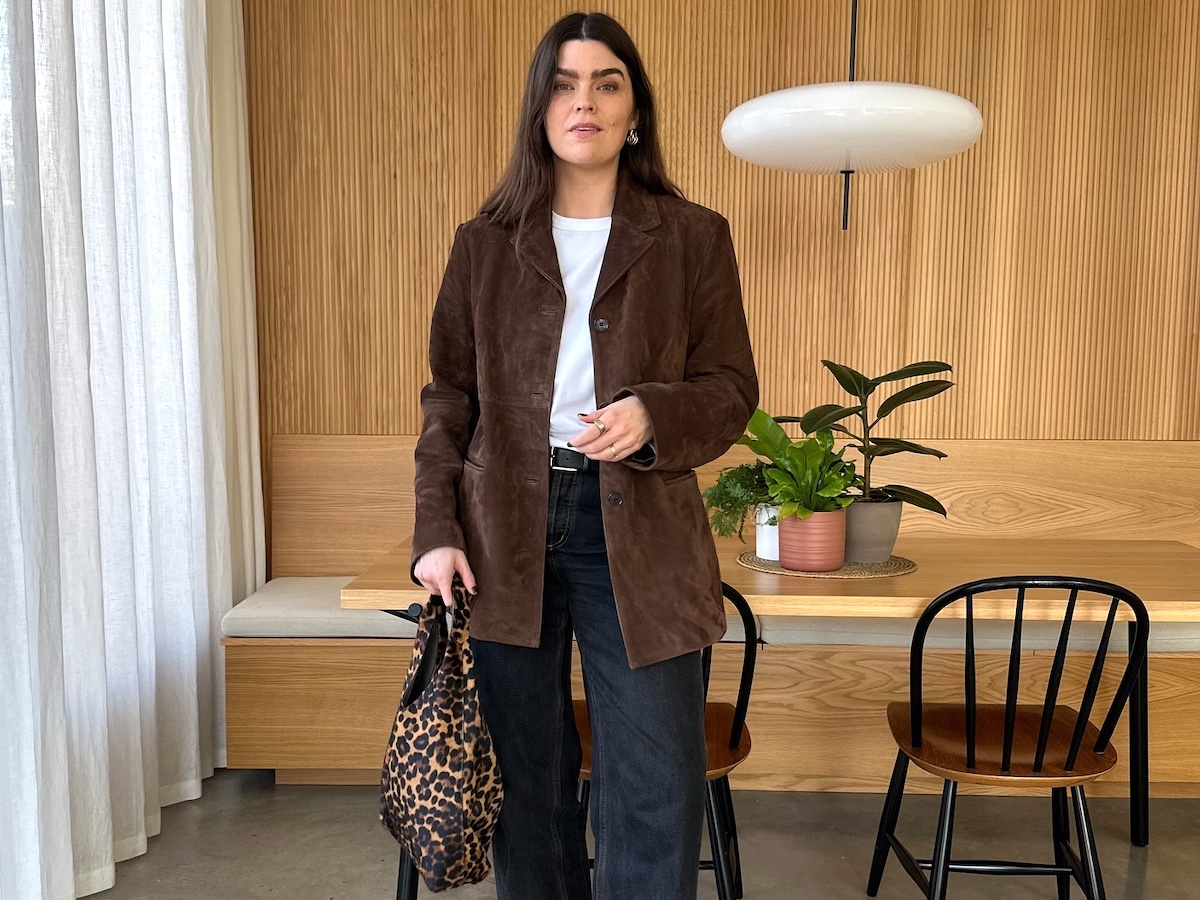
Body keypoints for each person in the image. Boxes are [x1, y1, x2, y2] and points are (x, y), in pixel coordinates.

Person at [411, 11, 758, 899]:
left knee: (655, 783)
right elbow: (452, 398)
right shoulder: (484, 243)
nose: (585, 102)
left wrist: (653, 412)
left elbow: (730, 388)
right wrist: (435, 530)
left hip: (640, 530)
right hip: (503, 533)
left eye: (607, 83)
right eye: (564, 84)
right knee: (526, 782)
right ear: (539, 109)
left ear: (634, 110)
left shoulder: (691, 235)